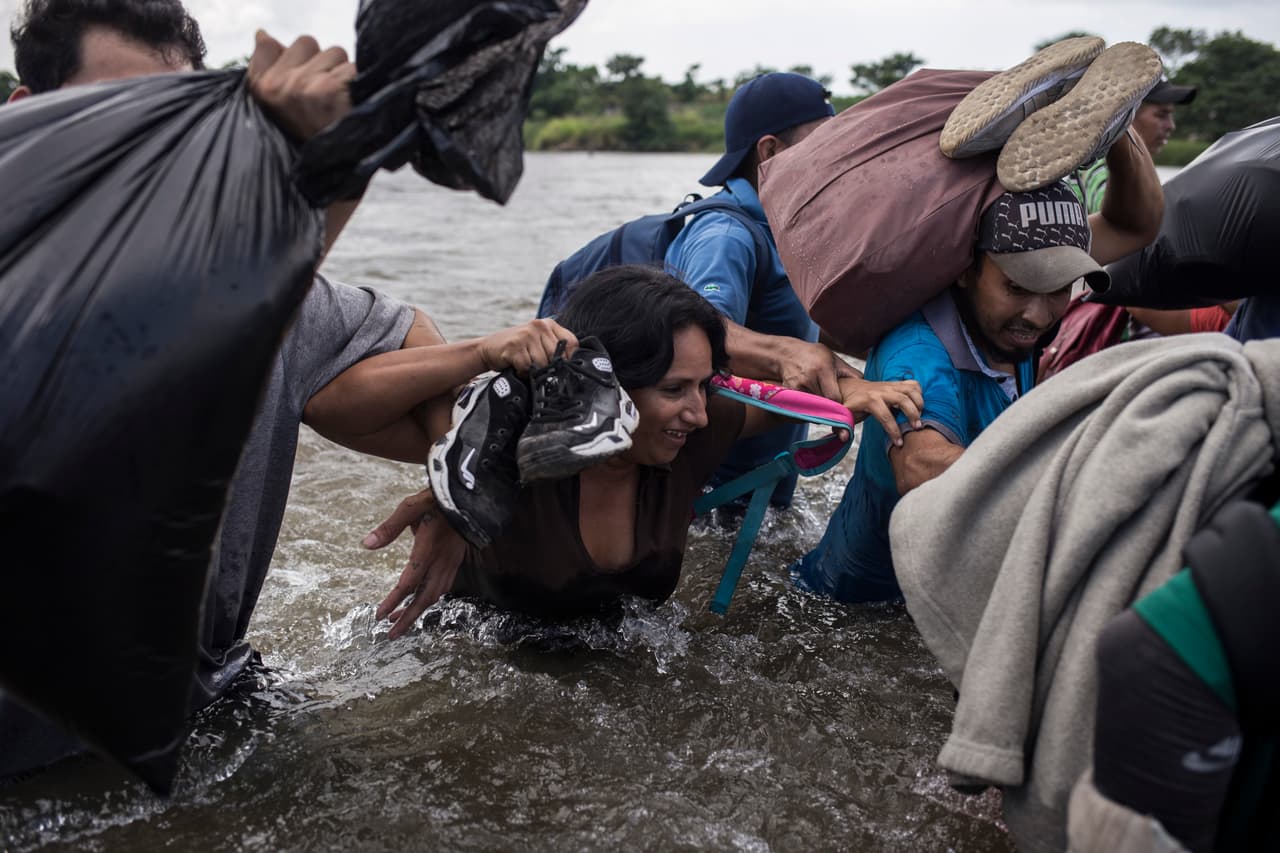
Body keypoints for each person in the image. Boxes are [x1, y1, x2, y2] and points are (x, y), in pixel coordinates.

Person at [0, 0, 453, 781]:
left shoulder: (271, 288)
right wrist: (319, 185)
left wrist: (456, 488)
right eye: (115, 116)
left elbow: (413, 331)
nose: (149, 151)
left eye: (174, 123)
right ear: (26, 119)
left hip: (212, 702)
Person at [348, 266, 924, 636]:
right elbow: (337, 406)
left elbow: (806, 401)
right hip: (467, 658)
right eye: (673, 390)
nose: (699, 412)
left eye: (705, 385)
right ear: (605, 386)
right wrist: (478, 356)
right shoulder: (502, 439)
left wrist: (858, 389)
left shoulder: (694, 431)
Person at [793, 118, 1163, 603]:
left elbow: (1135, 224)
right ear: (966, 269)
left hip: (944, 590)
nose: (1037, 314)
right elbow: (921, 466)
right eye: (1017, 287)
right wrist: (1082, 493)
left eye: (1057, 290)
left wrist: (1115, 126)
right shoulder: (920, 352)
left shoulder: (1009, 325)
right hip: (856, 609)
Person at [663, 71, 849, 508]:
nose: (837, 159)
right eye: (823, 145)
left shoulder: (780, 230)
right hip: (712, 499)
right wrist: (791, 357)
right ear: (769, 151)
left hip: (758, 490)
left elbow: (789, 323)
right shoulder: (726, 233)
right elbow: (699, 332)